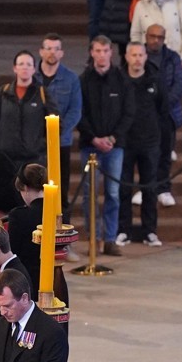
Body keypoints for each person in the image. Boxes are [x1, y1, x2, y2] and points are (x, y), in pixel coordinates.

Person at [78, 35, 134, 257]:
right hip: (89, 146)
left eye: (105, 51)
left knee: (112, 192)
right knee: (89, 194)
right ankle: (94, 238)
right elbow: (79, 114)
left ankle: (110, 238)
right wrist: (93, 138)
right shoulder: (83, 80)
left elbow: (128, 112)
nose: (101, 55)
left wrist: (112, 138)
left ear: (111, 52)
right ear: (92, 53)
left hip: (114, 147)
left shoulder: (121, 80)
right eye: (97, 51)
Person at [119, 42, 166, 248]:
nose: (137, 58)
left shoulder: (155, 80)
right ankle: (123, 230)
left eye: (140, 54)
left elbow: (163, 110)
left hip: (150, 143)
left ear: (146, 57)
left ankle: (150, 231)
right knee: (123, 188)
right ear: (127, 57)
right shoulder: (119, 80)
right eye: (133, 55)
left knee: (149, 187)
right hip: (125, 142)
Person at [37, 33, 83, 217]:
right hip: (36, 143)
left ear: (62, 53)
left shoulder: (71, 79)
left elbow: (75, 110)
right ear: (41, 51)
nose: (52, 53)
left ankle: (61, 236)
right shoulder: (32, 77)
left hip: (61, 142)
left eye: (56, 49)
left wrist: (58, 131)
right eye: (48, 48)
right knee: (35, 189)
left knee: (61, 189)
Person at [144, 24, 182, 210]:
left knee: (165, 153)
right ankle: (147, 187)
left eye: (159, 37)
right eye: (152, 36)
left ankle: (163, 188)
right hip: (145, 115)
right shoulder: (140, 57)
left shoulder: (172, 57)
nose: (155, 40)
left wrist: (163, 105)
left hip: (167, 114)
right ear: (146, 36)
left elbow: (178, 84)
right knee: (146, 155)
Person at [0, 50, 54, 168]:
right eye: (21, 64)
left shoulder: (42, 94)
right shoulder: (3, 92)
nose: (25, 68)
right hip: (5, 158)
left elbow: (56, 124)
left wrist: (39, 145)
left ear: (34, 69)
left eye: (29, 65)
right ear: (15, 68)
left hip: (33, 159)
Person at [6, 163, 47, 294]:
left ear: (25, 187)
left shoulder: (18, 215)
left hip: (27, 281)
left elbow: (12, 252)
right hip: (54, 279)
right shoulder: (58, 212)